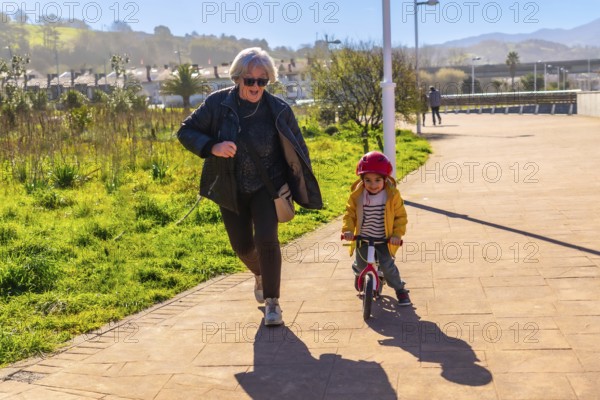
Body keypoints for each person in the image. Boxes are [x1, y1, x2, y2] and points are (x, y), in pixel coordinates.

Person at [177, 47, 322, 326]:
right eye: (250, 80)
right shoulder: (217, 104)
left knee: (267, 240)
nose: (256, 86)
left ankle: (273, 303)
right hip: (230, 186)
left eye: (262, 80)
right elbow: (185, 131)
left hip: (268, 187)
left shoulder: (278, 109)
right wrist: (212, 146)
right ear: (237, 78)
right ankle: (259, 273)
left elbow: (299, 150)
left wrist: (298, 184)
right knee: (243, 247)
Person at [341, 151, 411, 306]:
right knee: (361, 264)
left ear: (385, 179)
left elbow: (401, 217)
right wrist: (347, 230)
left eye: (377, 180)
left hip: (384, 239)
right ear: (362, 179)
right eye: (368, 180)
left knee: (387, 266)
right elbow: (350, 214)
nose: (373, 185)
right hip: (363, 238)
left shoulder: (391, 195)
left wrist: (397, 235)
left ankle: (400, 289)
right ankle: (359, 272)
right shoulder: (357, 196)